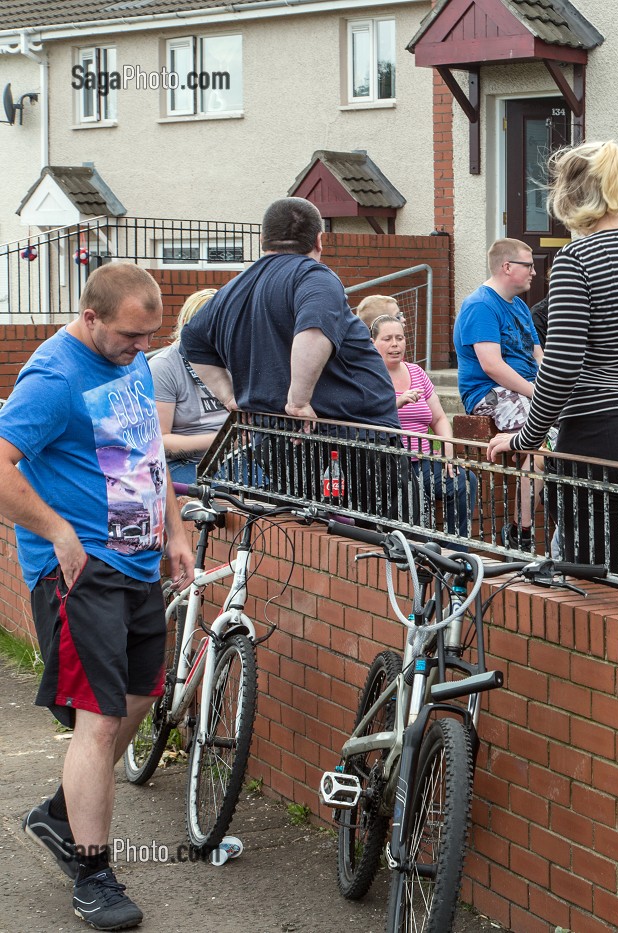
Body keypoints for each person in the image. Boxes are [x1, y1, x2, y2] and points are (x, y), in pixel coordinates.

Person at [0, 263, 195, 931]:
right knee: (100, 716)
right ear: (91, 318)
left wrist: (174, 530)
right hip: (80, 571)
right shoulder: (54, 377)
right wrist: (57, 532)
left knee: (142, 695)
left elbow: (147, 450)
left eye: (149, 336)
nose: (140, 348)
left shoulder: (131, 360)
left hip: (139, 564)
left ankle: (59, 815)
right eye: (129, 336)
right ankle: (92, 871)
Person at [484, 140, 618, 587]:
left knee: (594, 582)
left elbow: (561, 366)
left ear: (571, 197)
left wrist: (527, 438)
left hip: (604, 432)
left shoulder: (576, 259)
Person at [180, 197, 409, 518]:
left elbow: (191, 341)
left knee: (315, 535)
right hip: (351, 443)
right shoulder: (315, 277)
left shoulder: (233, 289)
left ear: (263, 241)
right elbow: (313, 331)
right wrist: (298, 402)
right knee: (373, 540)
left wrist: (231, 398)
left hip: (281, 443)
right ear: (318, 240)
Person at [455, 238, 548, 549]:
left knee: (572, 436)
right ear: (507, 267)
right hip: (490, 393)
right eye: (529, 265)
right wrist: (538, 392)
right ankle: (521, 533)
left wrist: (553, 387)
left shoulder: (520, 306)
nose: (535, 271)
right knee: (542, 448)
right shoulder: (480, 305)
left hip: (525, 388)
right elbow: (492, 366)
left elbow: (538, 355)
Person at [370, 312, 477, 538]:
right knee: (414, 505)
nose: (395, 344)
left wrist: (448, 450)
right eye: (387, 339)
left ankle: (455, 554)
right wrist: (396, 403)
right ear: (373, 343)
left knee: (464, 482)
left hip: (425, 461)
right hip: (392, 465)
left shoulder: (417, 372)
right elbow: (365, 416)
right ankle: (423, 558)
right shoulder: (369, 376)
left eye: (399, 338)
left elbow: (438, 419)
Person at [149, 288, 227, 486]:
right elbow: (161, 442)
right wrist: (222, 439)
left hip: (232, 456)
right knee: (226, 494)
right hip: (183, 463)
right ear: (187, 328)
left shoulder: (234, 356)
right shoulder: (164, 366)